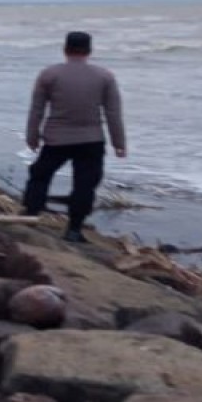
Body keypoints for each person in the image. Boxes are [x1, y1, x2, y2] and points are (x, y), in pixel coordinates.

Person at [22, 31, 126, 243]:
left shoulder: (49, 74)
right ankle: (74, 229)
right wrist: (119, 143)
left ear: (65, 49)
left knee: (40, 175)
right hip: (91, 140)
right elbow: (113, 113)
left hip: (56, 139)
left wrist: (32, 136)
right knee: (85, 185)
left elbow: (37, 110)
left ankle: (31, 215)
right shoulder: (104, 76)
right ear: (89, 51)